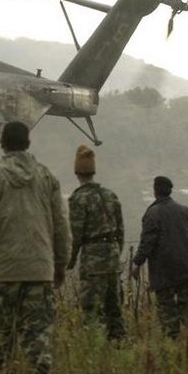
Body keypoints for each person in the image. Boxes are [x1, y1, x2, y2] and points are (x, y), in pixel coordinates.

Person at [0, 121, 70, 374]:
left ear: (2, 145)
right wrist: (60, 266)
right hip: (39, 269)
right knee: (37, 333)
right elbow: (61, 226)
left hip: (1, 272)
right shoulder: (47, 178)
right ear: (28, 143)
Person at [130, 176, 188, 339]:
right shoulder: (185, 210)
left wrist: (136, 264)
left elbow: (147, 243)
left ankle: (174, 350)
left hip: (166, 274)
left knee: (169, 318)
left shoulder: (152, 213)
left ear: (155, 190)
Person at [67, 144, 127, 343]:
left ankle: (96, 354)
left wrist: (70, 261)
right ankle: (119, 351)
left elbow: (76, 235)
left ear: (77, 172)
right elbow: (120, 231)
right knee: (115, 312)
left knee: (92, 313)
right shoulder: (110, 196)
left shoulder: (78, 198)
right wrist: (115, 254)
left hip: (93, 263)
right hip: (112, 262)